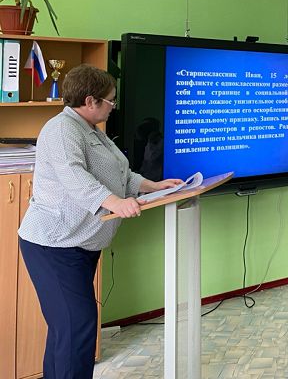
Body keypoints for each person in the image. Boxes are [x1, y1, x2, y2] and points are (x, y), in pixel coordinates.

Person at [17, 64, 184, 379]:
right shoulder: (61, 129)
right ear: (90, 100)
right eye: (110, 100)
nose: (113, 106)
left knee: (67, 328)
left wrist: (152, 185)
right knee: (77, 326)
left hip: (81, 243)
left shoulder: (91, 129)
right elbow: (74, 176)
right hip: (54, 244)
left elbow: (120, 172)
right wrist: (116, 203)